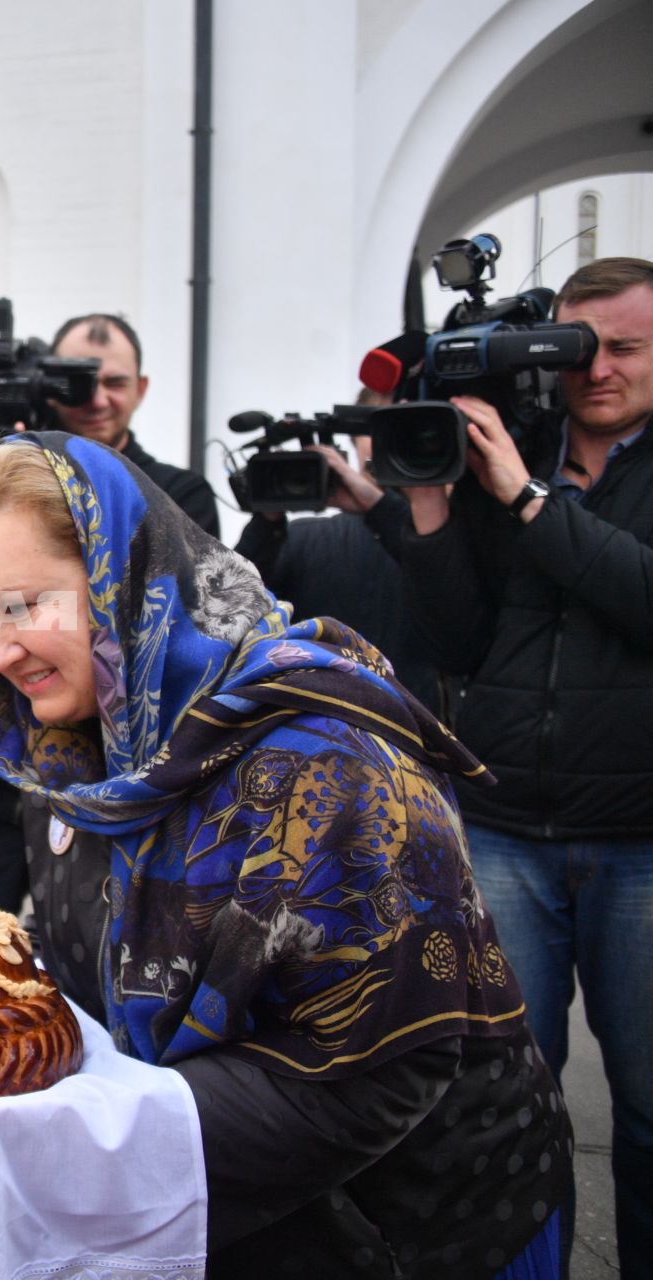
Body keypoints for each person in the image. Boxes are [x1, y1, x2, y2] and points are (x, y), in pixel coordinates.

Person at [0, 432, 570, 1276]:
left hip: (428, 1228)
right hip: (237, 1224)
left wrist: (88, 1132)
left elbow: (378, 1074)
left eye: (25, 604)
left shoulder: (324, 758)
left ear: (123, 582)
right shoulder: (73, 757)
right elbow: (82, 955)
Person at [400, 255, 653, 1268]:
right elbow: (459, 640)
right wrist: (430, 502)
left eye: (623, 349)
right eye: (578, 349)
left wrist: (531, 501)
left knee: (645, 1110)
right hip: (506, 827)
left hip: (642, 837)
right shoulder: (518, 447)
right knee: (506, 1099)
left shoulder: (529, 474)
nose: (596, 371)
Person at [233, 432, 443, 711]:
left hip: (411, 716)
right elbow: (234, 605)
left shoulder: (439, 545)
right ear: (354, 447)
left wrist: (380, 509)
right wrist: (266, 521)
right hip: (310, 714)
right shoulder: (301, 538)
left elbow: (446, 585)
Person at [49, 312, 219, 535]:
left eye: (115, 383)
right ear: (48, 388)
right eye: (80, 384)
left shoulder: (180, 496)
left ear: (140, 389)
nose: (98, 401)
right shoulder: (10, 481)